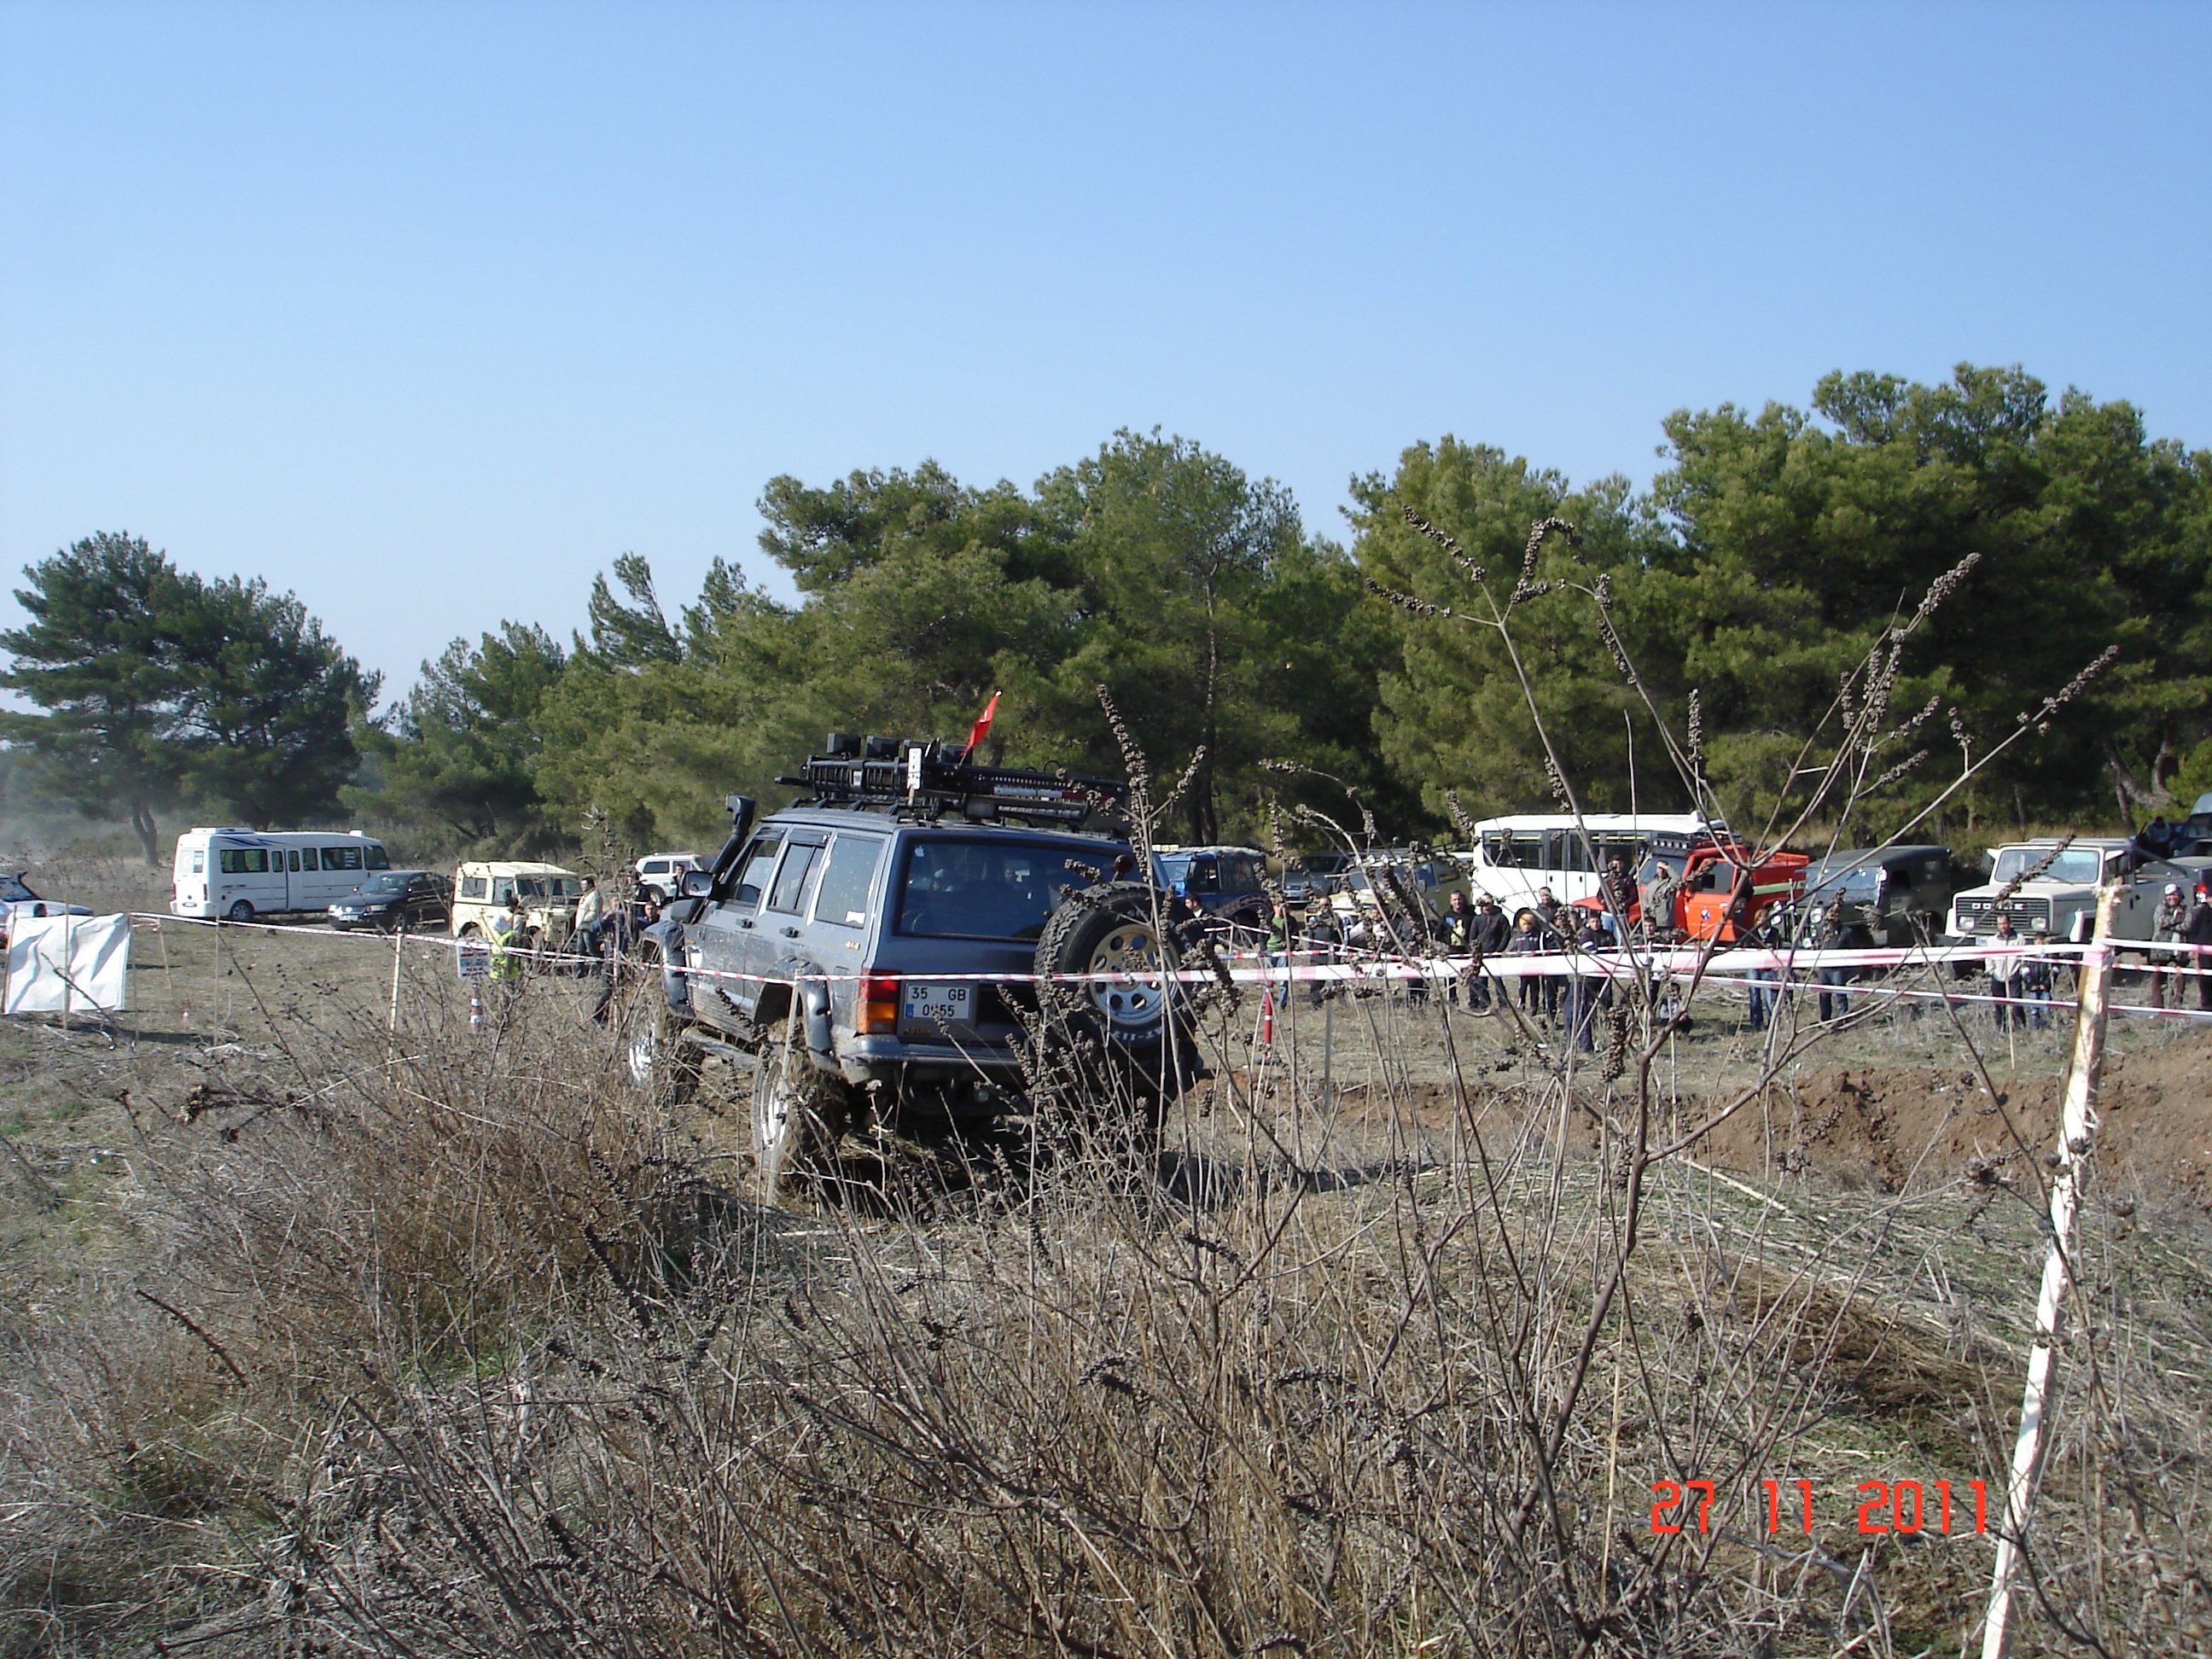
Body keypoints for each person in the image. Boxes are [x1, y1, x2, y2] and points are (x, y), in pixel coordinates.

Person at [1567, 911, 1611, 1052]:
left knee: (1580, 1011)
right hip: (1580, 977)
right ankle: (1575, 1043)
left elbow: (1593, 953)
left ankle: (1584, 1045)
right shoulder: (1580, 934)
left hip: (1588, 977)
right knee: (1573, 1010)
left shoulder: (1585, 934)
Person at [2151, 882, 2191, 1010]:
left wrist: (2171, 926)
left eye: (2175, 895)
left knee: (2179, 977)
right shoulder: (2160, 908)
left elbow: (2187, 925)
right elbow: (2160, 921)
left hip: (2179, 948)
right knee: (2157, 978)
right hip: (2160, 949)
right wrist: (2177, 919)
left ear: (2180, 896)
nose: (2172, 898)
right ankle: (2157, 1008)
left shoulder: (2186, 909)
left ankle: (2176, 1006)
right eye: (2169, 895)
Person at [1986, 912, 2025, 1031]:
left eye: (2004, 923)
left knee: (2016, 1002)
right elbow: (1988, 956)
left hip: (2014, 974)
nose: (2002, 926)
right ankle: (2001, 1028)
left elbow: (2024, 956)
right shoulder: (1992, 940)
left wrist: (2021, 970)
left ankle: (2020, 1027)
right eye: (2000, 924)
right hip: (1998, 975)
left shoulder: (2019, 939)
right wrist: (1991, 970)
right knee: (1999, 1004)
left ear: (2009, 923)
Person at [1813, 906, 1852, 1023]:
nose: (1832, 918)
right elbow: (1817, 945)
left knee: (1840, 995)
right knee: (1824, 996)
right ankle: (1826, 1020)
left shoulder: (1846, 932)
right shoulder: (1821, 931)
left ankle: (1842, 1019)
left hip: (1838, 968)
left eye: (1834, 915)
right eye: (1830, 915)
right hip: (1824, 968)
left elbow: (1851, 948)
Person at [1508, 909, 1548, 1019]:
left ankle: (1534, 1006)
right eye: (1524, 924)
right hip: (1523, 968)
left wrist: (1536, 955)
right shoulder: (1517, 938)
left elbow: (1541, 949)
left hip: (1534, 967)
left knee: (1535, 988)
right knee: (1522, 987)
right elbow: (1511, 951)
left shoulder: (1537, 936)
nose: (1527, 927)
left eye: (1529, 924)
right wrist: (1518, 956)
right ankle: (1521, 1004)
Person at [1532, 887, 1565, 1020]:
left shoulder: (1558, 907)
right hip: (1545, 944)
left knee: (1562, 980)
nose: (1545, 898)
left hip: (1559, 943)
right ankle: (1548, 1006)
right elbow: (1536, 927)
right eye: (1542, 896)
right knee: (1548, 981)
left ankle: (1562, 1004)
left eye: (1547, 895)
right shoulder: (1538, 911)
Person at [1744, 916, 1782, 1033]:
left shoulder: (1774, 932)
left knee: (1769, 995)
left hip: (1768, 968)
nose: (1761, 922)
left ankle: (1772, 1022)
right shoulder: (1752, 932)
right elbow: (1746, 946)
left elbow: (1778, 946)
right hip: (1754, 966)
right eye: (1759, 919)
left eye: (1764, 919)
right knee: (1754, 995)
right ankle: (1756, 1022)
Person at [2180, 883, 2212, 1014]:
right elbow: (2193, 930)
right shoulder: (2201, 911)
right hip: (2204, 950)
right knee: (2205, 977)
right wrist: (2193, 947)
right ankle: (2207, 1005)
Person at [486, 892, 527, 994]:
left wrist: (507, 972)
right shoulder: (502, 937)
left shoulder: (509, 937)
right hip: (498, 974)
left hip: (508, 975)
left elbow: (510, 958)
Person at [2018, 923, 2057, 1031]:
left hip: (2045, 988)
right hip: (2033, 988)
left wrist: (2046, 984)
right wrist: (2030, 984)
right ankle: (2035, 1029)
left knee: (2046, 1009)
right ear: (2034, 942)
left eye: (2042, 942)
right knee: (2034, 1010)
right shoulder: (2029, 956)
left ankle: (2047, 1029)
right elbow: (2024, 970)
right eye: (2038, 942)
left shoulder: (2050, 955)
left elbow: (2054, 970)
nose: (2040, 944)